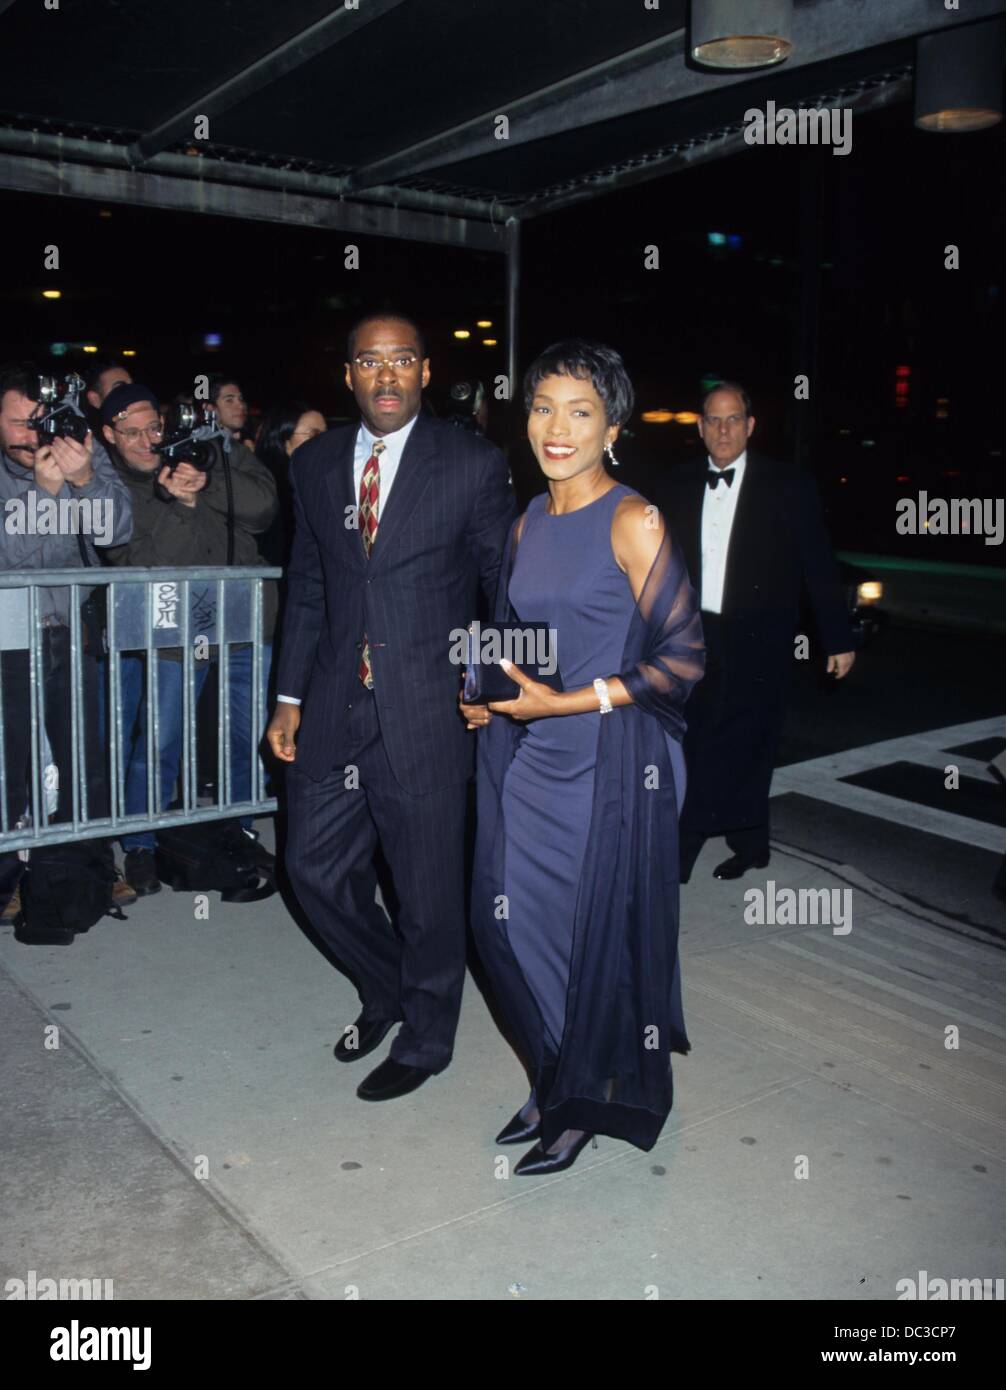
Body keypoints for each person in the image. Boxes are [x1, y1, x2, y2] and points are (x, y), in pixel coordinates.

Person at [464, 340, 705, 1173]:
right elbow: (530, 633)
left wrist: (564, 700)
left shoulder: (633, 519)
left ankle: (582, 1098)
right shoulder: (532, 517)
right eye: (542, 407)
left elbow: (683, 659)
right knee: (514, 927)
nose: (555, 428)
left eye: (579, 412)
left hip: (616, 763)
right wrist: (486, 688)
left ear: (613, 429)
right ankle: (556, 1069)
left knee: (593, 939)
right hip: (535, 754)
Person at [267, 312, 516, 1103]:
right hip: (336, 700)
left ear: (425, 370)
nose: (385, 375)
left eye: (401, 359)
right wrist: (288, 695)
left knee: (427, 888)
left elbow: (501, 588)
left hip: (431, 707)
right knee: (309, 866)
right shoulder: (315, 464)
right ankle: (387, 989)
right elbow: (309, 583)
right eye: (369, 362)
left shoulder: (472, 463)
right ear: (348, 376)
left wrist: (489, 687)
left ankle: (428, 1034)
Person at [662, 381, 855, 882]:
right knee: (694, 739)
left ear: (750, 426)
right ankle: (719, 838)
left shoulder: (789, 485)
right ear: (701, 428)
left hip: (760, 639)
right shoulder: (675, 484)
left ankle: (726, 842)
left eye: (733, 420)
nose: (723, 430)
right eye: (713, 420)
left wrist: (837, 637)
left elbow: (818, 565)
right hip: (692, 634)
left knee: (750, 742)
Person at [100, 383, 278, 896]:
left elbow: (264, 509)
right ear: (109, 434)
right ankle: (141, 845)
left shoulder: (218, 450)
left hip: (244, 621)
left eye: (152, 427)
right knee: (159, 742)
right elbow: (146, 563)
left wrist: (205, 477)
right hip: (172, 631)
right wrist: (180, 502)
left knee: (248, 736)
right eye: (130, 432)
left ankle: (239, 829)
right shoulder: (111, 485)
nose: (145, 441)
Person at [0, 362, 135, 939]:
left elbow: (119, 531)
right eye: (20, 423)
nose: (35, 435)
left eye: (42, 420)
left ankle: (91, 868)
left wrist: (84, 483)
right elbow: (10, 563)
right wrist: (45, 494)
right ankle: (9, 878)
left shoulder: (81, 451)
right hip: (9, 635)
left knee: (86, 758)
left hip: (71, 631)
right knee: (12, 765)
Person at [254, 401, 327, 567]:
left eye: (325, 433)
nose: (325, 441)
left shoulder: (325, 485)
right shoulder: (266, 488)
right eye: (314, 434)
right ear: (285, 443)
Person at [208, 376, 253, 453]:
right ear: (210, 408)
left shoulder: (248, 445)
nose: (241, 406)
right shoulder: (206, 450)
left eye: (241, 399)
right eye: (229, 400)